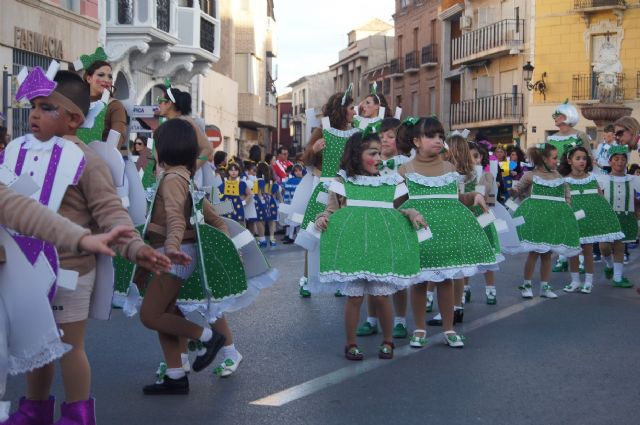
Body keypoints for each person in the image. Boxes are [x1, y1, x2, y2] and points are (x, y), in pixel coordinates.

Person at [1, 68, 171, 424]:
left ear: (74, 119)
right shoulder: (15, 152)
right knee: (39, 345)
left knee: (68, 346)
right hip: (24, 272)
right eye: (33, 105)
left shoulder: (88, 161)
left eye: (46, 107)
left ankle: (78, 414)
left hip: (70, 270)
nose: (34, 114)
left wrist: (136, 248)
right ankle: (35, 409)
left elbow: (112, 215)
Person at [314, 131, 425, 360]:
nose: (378, 159)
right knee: (354, 297)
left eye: (379, 154)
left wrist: (413, 213)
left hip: (381, 245)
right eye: (372, 153)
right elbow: (332, 210)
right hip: (353, 246)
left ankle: (388, 341)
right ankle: (351, 343)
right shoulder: (342, 181)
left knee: (381, 296)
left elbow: (400, 209)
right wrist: (322, 218)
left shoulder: (390, 180)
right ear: (356, 155)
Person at [397, 117, 496, 348]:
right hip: (421, 232)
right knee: (420, 282)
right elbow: (395, 204)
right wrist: (410, 212)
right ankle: (420, 329)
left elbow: (458, 198)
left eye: (440, 136)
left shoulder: (450, 168)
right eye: (431, 136)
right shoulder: (405, 170)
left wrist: (474, 197)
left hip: (449, 233)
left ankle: (449, 328)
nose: (437, 140)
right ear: (416, 141)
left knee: (446, 281)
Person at [296, 89, 358, 297]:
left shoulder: (357, 131)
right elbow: (306, 160)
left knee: (343, 233)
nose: (354, 112)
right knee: (313, 232)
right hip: (323, 187)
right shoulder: (324, 129)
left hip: (345, 189)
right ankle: (306, 278)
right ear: (342, 109)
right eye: (351, 108)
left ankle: (341, 278)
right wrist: (313, 150)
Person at [356, 117, 412, 339]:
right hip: (374, 221)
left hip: (397, 219)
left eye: (391, 136)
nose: (386, 141)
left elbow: (408, 196)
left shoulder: (407, 164)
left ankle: (400, 320)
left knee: (396, 276)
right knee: (372, 272)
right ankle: (372, 319)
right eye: (382, 137)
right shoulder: (370, 163)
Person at [508, 143, 581, 299]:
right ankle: (526, 285)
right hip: (535, 221)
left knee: (547, 254)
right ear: (544, 159)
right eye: (554, 158)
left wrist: (566, 214)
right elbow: (518, 189)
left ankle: (544, 286)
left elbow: (567, 198)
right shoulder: (530, 175)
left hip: (551, 221)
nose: (557, 161)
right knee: (534, 253)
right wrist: (513, 190)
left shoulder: (559, 178)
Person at [557, 143, 624, 293]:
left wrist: (602, 218)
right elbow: (562, 201)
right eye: (578, 158)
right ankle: (575, 281)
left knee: (587, 251)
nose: (582, 161)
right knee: (573, 251)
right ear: (569, 161)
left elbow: (600, 199)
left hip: (589, 221)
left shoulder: (593, 178)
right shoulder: (564, 181)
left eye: (584, 158)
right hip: (573, 220)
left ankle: (588, 282)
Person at [596, 145, 640, 287]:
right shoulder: (602, 179)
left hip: (626, 216)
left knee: (619, 247)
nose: (620, 162)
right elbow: (598, 198)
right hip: (607, 217)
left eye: (622, 159)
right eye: (616, 159)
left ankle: (618, 277)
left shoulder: (633, 179)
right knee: (604, 246)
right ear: (610, 161)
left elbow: (635, 197)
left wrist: (637, 210)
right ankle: (609, 264)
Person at [79, 49, 128, 152]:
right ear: (89, 78)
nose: (106, 80)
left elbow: (117, 138)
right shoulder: (77, 102)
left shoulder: (115, 105)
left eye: (110, 77)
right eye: (101, 75)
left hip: (100, 161)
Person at [157, 84, 213, 171]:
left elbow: (208, 149)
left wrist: (192, 168)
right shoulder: (165, 124)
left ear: (169, 104)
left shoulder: (186, 122)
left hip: (182, 179)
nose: (158, 104)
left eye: (160, 101)